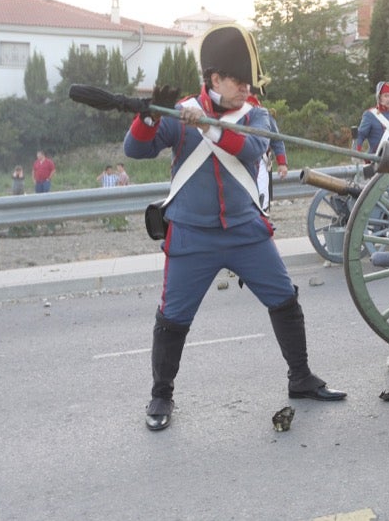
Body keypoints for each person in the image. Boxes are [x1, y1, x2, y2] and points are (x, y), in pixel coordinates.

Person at [124, 23, 345, 432]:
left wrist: (206, 126)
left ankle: (300, 377)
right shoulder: (182, 110)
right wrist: (149, 118)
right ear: (215, 79)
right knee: (173, 318)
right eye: (238, 81)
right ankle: (161, 395)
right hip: (192, 235)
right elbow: (135, 150)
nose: (246, 88)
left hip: (245, 230)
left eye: (248, 81)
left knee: (284, 299)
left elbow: (248, 149)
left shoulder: (255, 115)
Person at [255, 109, 288, 213]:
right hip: (237, 164)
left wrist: (282, 163)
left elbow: (276, 140)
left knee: (262, 198)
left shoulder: (265, 116)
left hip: (261, 162)